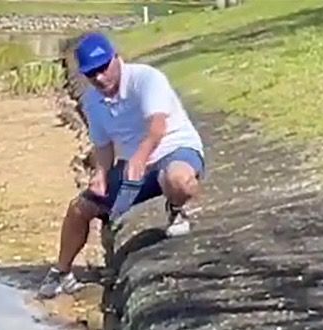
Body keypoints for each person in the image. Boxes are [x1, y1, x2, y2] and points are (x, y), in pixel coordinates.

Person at [38, 32, 206, 298]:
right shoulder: (93, 101)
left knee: (178, 181)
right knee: (80, 208)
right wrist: (101, 174)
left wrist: (140, 158)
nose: (100, 78)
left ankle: (176, 207)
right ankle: (62, 272)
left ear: (117, 59)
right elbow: (103, 146)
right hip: (136, 169)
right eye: (92, 73)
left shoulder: (146, 79)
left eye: (104, 68)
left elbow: (157, 127)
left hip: (174, 150)